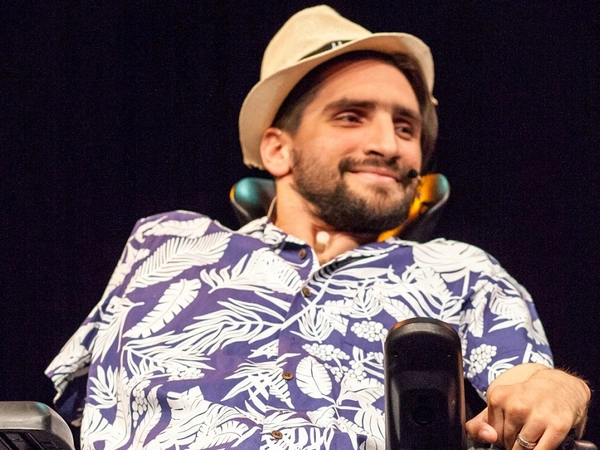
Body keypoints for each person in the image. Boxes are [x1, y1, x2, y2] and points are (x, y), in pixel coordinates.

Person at [46, 5, 590, 450]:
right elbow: (69, 411)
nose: (389, 144)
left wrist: (559, 390)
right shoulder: (169, 242)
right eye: (351, 116)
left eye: (406, 127)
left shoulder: (461, 268)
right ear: (278, 150)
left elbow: (525, 387)